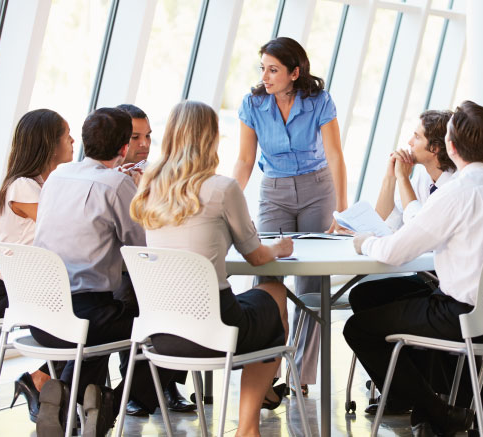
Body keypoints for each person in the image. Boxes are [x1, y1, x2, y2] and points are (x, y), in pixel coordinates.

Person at [343, 101, 483, 436]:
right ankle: (475, 393)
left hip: (465, 315)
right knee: (368, 295)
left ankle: (436, 411)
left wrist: (363, 242)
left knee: (357, 328)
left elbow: (393, 251)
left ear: (451, 146)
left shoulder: (459, 191)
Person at [131, 100, 294, 437]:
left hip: (161, 335)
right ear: (211, 138)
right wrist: (280, 247)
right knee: (274, 293)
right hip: (215, 331)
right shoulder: (222, 188)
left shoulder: (148, 187)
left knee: (254, 308)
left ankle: (259, 398)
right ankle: (248, 426)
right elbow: (256, 256)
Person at [33, 107, 175, 436]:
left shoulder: (57, 176)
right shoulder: (114, 183)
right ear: (124, 147)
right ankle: (110, 400)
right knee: (172, 326)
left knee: (108, 321)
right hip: (86, 318)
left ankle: (66, 397)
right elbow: (143, 247)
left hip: (41, 316)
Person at [232, 36, 348, 393]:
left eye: (273, 70)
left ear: (294, 72)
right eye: (263, 69)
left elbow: (335, 156)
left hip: (318, 189)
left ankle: (300, 376)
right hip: (275, 192)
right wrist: (225, 201)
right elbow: (245, 160)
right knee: (266, 278)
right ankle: (264, 374)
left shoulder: (319, 101)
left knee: (312, 285)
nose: (265, 76)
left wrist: (341, 211)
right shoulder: (253, 104)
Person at [349, 109, 457, 414]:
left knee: (365, 317)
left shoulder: (453, 187)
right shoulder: (422, 177)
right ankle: (399, 390)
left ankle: (417, 395)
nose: (408, 141)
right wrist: (391, 177)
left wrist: (403, 180)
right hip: (429, 275)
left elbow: (412, 230)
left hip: (444, 282)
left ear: (436, 148)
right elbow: (384, 218)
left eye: (416, 136)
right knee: (364, 295)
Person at [0, 108, 72, 422]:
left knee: (90, 316)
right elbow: (61, 230)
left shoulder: (33, 186)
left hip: (14, 288)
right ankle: (47, 386)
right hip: (0, 292)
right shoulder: (23, 186)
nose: (72, 140)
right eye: (65, 135)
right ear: (49, 144)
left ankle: (47, 385)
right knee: (90, 319)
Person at [116, 103, 195, 415]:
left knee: (184, 293)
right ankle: (135, 387)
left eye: (148, 136)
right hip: (120, 269)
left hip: (158, 264)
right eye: (136, 137)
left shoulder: (160, 173)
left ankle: (168, 382)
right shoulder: (107, 177)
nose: (145, 144)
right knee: (130, 296)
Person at [116, 104, 151, 168]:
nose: (145, 144)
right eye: (135, 137)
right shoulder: (98, 175)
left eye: (147, 135)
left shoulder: (152, 172)